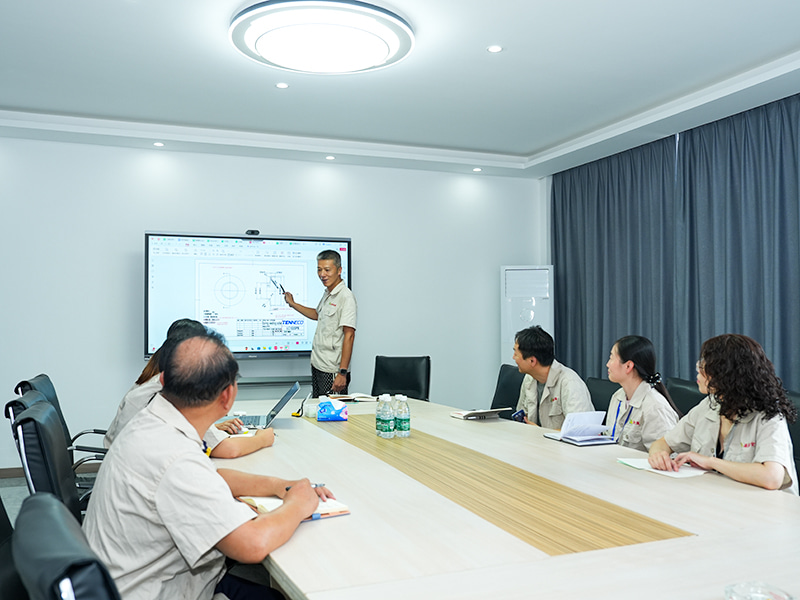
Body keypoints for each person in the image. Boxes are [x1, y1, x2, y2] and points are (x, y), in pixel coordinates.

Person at [84, 331, 335, 599]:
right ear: (228, 396)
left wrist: (279, 486)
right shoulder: (175, 457)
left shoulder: (153, 423)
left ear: (163, 380)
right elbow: (252, 544)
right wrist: (298, 504)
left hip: (118, 583)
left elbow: (211, 476)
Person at [648, 334, 797, 494]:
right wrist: (659, 456)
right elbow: (662, 443)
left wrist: (711, 462)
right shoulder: (709, 405)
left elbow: (772, 478)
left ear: (727, 374)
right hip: (718, 497)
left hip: (764, 506)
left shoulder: (768, 416)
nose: (698, 371)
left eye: (704, 366)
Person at [105, 318, 275, 458]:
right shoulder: (173, 391)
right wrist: (262, 439)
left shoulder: (153, 378)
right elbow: (228, 449)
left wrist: (213, 429)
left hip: (120, 459)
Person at [284, 250, 357, 398]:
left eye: (327, 270)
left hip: (332, 370)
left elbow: (349, 335)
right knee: (319, 407)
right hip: (318, 364)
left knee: (332, 410)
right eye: (319, 269)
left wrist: (342, 373)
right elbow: (317, 315)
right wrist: (293, 304)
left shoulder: (346, 297)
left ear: (339, 270)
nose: (322, 274)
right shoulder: (328, 293)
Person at [604, 335, 680, 451]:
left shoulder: (655, 406)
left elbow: (666, 456)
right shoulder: (617, 396)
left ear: (628, 366)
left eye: (611, 358)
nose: (607, 364)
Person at [512, 325, 593, 429]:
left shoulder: (570, 383)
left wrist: (539, 432)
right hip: (532, 438)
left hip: (555, 440)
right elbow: (522, 417)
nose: (513, 357)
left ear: (532, 361)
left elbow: (579, 430)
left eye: (516, 354)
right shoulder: (529, 378)